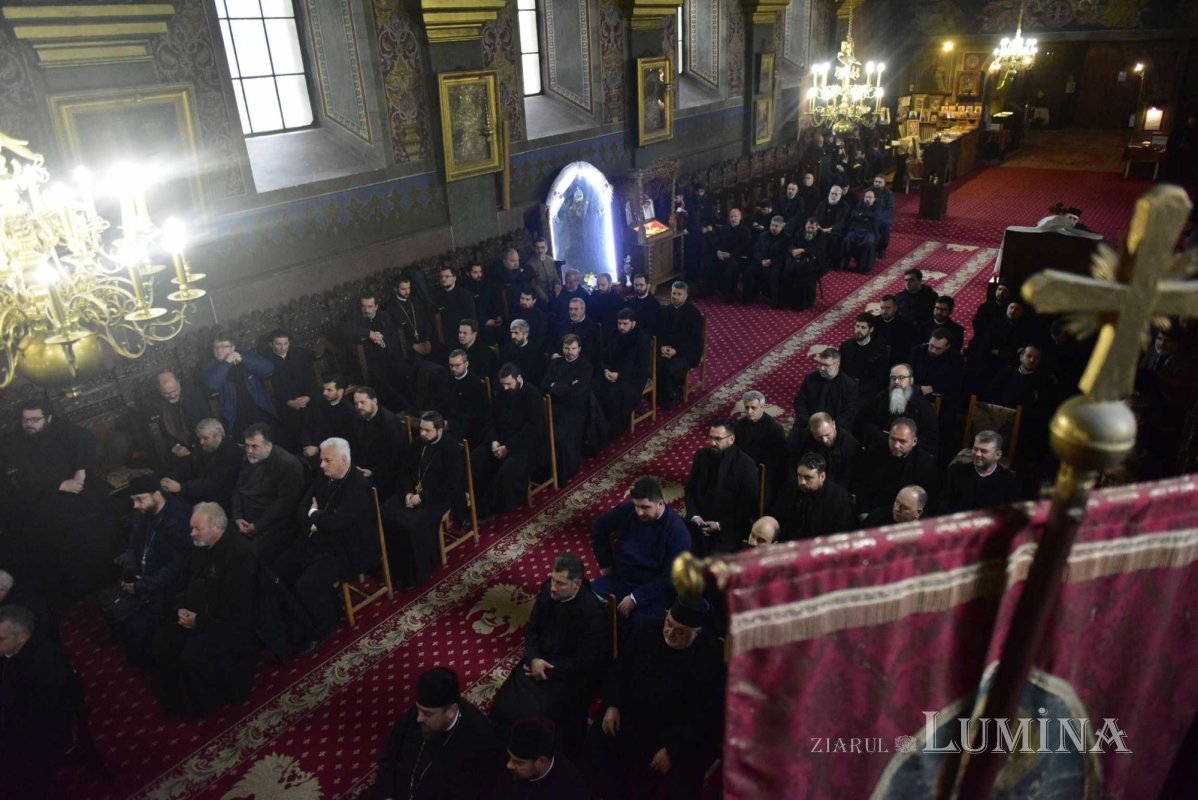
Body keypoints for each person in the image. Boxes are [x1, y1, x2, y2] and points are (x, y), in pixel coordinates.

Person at [585, 597, 725, 800]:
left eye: (680, 631)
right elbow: (621, 667)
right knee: (596, 746)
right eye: (669, 624)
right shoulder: (650, 630)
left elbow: (706, 715)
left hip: (669, 734)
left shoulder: (708, 658)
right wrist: (613, 704)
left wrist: (672, 749)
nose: (670, 632)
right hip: (630, 714)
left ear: (696, 633)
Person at [0, 398, 122, 602]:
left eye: (35, 419)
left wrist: (80, 471)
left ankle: (110, 579)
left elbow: (85, 439)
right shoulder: (13, 443)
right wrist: (58, 485)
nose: (29, 424)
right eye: (25, 420)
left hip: (77, 495)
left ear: (48, 418)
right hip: (43, 500)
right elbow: (19, 477)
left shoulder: (62, 430)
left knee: (97, 521)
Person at [490, 553, 608, 746]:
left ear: (576, 585)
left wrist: (547, 669)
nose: (553, 587)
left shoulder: (591, 613)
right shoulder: (548, 592)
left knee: (533, 718)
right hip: (538, 661)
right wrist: (535, 658)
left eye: (560, 583)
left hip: (566, 674)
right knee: (503, 705)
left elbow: (586, 660)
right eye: (553, 579)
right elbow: (532, 629)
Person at [154, 502, 257, 719]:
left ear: (218, 527)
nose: (191, 533)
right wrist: (181, 605)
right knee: (163, 639)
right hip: (197, 613)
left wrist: (199, 621)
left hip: (224, 625)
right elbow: (185, 579)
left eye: (197, 529)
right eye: (192, 528)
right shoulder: (201, 547)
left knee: (193, 655)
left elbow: (236, 608)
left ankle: (204, 705)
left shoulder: (239, 555)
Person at [276, 438, 378, 650]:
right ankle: (302, 620)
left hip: (347, 549)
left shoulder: (358, 486)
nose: (321, 465)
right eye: (322, 460)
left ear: (343, 460)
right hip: (319, 540)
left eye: (327, 461)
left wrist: (315, 514)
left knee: (307, 584)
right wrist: (316, 520)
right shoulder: (325, 475)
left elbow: (335, 523)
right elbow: (302, 507)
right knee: (281, 567)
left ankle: (322, 628)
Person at [360, 667, 505, 800]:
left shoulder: (480, 738)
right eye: (419, 709)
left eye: (427, 714)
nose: (419, 718)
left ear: (451, 711)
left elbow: (475, 791)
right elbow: (389, 757)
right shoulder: (416, 716)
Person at [105, 474, 193, 668]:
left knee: (136, 627)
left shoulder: (178, 520)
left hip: (168, 587)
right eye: (133, 500)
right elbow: (133, 545)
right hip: (144, 577)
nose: (135, 505)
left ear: (157, 495)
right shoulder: (144, 514)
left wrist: (140, 585)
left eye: (140, 499)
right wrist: (132, 571)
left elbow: (175, 567)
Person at [0, 605, 80, 798]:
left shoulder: (47, 665)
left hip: (42, 731)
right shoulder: (12, 650)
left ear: (22, 636)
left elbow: (38, 715)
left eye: (1, 639)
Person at [590, 476, 691, 627]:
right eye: (637, 506)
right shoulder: (627, 510)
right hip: (621, 578)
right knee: (587, 600)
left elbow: (669, 577)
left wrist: (635, 597)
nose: (639, 512)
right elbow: (598, 527)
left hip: (652, 588)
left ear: (660, 504)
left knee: (639, 626)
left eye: (645, 507)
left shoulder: (677, 532)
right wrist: (605, 563)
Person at [380, 412, 464, 591]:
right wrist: (408, 493)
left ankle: (418, 573)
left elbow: (450, 484)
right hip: (411, 493)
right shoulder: (418, 443)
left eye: (428, 430)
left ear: (439, 430)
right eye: (421, 429)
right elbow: (404, 471)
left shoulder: (451, 449)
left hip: (437, 498)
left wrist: (422, 497)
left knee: (412, 524)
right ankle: (396, 569)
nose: (423, 434)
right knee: (385, 513)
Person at [470, 363, 548, 519]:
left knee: (506, 472)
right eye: (503, 384)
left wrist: (508, 448)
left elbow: (532, 429)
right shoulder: (502, 392)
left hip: (524, 445)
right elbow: (492, 418)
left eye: (508, 384)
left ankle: (489, 509)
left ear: (518, 378)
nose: (505, 388)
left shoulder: (532, 395)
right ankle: (474, 500)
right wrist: (493, 440)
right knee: (476, 458)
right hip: (500, 440)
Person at [231, 423, 305, 563]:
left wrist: (257, 526)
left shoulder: (288, 465)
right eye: (247, 446)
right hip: (245, 521)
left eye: (254, 446)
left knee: (246, 559)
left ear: (269, 445)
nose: (249, 451)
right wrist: (237, 517)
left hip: (273, 527)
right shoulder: (248, 459)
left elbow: (285, 505)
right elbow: (238, 489)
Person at [684, 420, 760, 555]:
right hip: (699, 521)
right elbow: (690, 489)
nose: (712, 443)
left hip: (729, 526)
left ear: (731, 439)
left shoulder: (746, 465)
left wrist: (719, 525)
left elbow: (747, 507)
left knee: (713, 562)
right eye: (710, 438)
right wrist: (695, 516)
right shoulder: (701, 456)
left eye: (718, 439)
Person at [341, 293, 411, 410]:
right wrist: (370, 333)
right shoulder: (357, 318)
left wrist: (381, 340)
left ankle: (410, 408)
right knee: (382, 381)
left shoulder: (384, 316)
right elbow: (347, 329)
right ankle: (401, 409)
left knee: (403, 372)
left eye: (370, 306)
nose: (366, 310)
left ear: (376, 306)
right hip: (369, 362)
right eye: (363, 306)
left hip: (388, 355)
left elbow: (392, 337)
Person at [854, 419, 939, 516]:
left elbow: (928, 499)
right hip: (875, 512)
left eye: (902, 441)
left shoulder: (925, 464)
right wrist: (864, 512)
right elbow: (861, 485)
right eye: (892, 439)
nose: (896, 445)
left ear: (914, 441)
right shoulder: (874, 453)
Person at [161, 417, 243, 513]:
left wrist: (181, 487)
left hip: (223, 501)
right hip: (203, 493)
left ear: (218, 436)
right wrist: (171, 478)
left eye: (205, 438)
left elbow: (213, 484)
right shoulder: (206, 448)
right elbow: (192, 465)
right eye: (200, 438)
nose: (201, 442)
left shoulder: (232, 454)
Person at [203, 333, 276, 439]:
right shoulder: (210, 366)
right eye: (216, 347)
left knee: (270, 437)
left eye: (224, 346)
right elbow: (212, 385)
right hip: (234, 415)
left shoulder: (246, 357)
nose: (219, 350)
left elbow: (268, 368)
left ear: (233, 348)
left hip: (259, 408)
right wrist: (227, 362)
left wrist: (242, 359)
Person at [494, 718, 589, 798]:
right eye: (510, 758)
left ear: (542, 762)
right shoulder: (511, 764)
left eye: (518, 762)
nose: (509, 765)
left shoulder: (571, 788)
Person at [542, 334, 593, 483]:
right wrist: (567, 386)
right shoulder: (555, 363)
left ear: (579, 349)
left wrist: (555, 385)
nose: (570, 352)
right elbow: (544, 384)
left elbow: (578, 392)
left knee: (560, 437)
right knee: (541, 433)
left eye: (573, 348)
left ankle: (565, 472)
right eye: (566, 348)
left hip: (575, 409)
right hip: (553, 406)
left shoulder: (586, 367)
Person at [863, 364, 940, 457]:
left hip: (910, 455)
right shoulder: (881, 398)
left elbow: (930, 440)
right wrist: (886, 438)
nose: (896, 382)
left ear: (911, 381)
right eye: (893, 378)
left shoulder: (923, 406)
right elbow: (870, 424)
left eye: (901, 378)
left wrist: (903, 441)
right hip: (881, 449)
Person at [597, 307, 651, 439]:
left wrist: (620, 375)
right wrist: (606, 370)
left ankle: (612, 432)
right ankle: (597, 429)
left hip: (632, 378)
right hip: (611, 373)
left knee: (615, 396)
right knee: (596, 389)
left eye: (625, 324)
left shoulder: (642, 339)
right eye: (619, 323)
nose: (621, 327)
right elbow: (605, 355)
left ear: (633, 323)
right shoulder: (615, 334)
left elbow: (641, 368)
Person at [261, 329, 317, 452]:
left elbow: (310, 377)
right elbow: (270, 390)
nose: (283, 348)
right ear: (271, 344)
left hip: (305, 398)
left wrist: (307, 396)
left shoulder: (299, 354)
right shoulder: (265, 360)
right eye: (278, 344)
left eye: (286, 344)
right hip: (283, 403)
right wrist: (288, 402)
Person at [778, 453, 855, 540]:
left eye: (808, 477)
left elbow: (842, 535)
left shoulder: (839, 499)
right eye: (799, 476)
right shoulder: (791, 488)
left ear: (822, 476)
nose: (801, 482)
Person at [733, 390, 787, 509]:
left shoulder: (775, 428)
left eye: (753, 408)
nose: (749, 411)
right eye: (746, 408)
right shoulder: (738, 426)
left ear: (762, 407)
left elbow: (776, 459)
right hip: (742, 467)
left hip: (763, 471)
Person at [943, 431, 1021, 513]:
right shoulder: (955, 473)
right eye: (975, 449)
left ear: (997, 455)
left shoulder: (1009, 481)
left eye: (984, 451)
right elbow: (943, 509)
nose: (978, 454)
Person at [349, 386, 404, 500]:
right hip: (365, 469)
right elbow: (356, 446)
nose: (359, 407)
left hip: (386, 474)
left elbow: (395, 457)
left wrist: (373, 471)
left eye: (363, 402)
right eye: (356, 403)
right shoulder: (359, 417)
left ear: (374, 401)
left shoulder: (390, 423)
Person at [655, 281, 704, 409]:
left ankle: (670, 397)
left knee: (669, 367)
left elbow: (695, 341)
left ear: (685, 296)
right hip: (667, 350)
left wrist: (676, 351)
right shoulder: (666, 311)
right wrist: (661, 347)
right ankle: (661, 394)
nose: (675, 296)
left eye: (678, 294)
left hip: (686, 353)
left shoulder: (693, 313)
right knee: (654, 362)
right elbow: (658, 332)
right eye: (673, 293)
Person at [147, 369, 210, 465]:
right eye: (167, 393)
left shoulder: (193, 393)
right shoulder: (154, 405)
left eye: (175, 390)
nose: (172, 395)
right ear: (159, 389)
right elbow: (159, 434)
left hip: (201, 440)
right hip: (176, 447)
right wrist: (174, 447)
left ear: (178, 382)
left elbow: (208, 418)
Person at [786, 411, 860, 491]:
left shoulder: (850, 444)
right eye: (819, 437)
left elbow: (848, 475)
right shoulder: (802, 438)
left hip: (835, 487)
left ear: (834, 425)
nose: (824, 440)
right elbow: (792, 461)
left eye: (827, 435)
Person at [793, 347, 860, 433]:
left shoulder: (850, 386)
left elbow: (849, 414)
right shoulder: (810, 379)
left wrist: (829, 428)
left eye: (826, 365)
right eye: (820, 364)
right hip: (808, 424)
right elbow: (799, 401)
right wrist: (808, 422)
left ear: (837, 364)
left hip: (835, 429)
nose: (821, 368)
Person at [301, 374, 357, 464]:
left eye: (329, 390)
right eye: (324, 389)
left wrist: (317, 449)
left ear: (340, 391)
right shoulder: (320, 403)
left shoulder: (349, 413)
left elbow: (344, 442)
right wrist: (307, 445)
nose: (324, 393)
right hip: (311, 449)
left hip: (334, 456)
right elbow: (307, 426)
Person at [382, 275, 436, 359]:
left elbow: (426, 321)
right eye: (403, 289)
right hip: (407, 350)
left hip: (425, 343)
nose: (407, 292)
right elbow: (392, 332)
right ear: (395, 289)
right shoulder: (390, 307)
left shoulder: (416, 301)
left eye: (409, 288)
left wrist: (428, 340)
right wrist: (412, 346)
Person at [445, 348, 490, 446]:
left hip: (468, 428)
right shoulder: (447, 380)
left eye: (457, 365)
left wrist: (451, 424)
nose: (453, 369)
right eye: (451, 365)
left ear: (466, 364)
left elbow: (475, 414)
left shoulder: (475, 384)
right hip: (448, 423)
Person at [839, 313, 889, 400]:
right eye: (857, 326)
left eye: (863, 327)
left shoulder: (878, 350)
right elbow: (840, 369)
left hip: (868, 390)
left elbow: (880, 376)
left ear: (871, 329)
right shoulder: (845, 346)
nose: (858, 330)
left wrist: (861, 389)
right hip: (847, 387)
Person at [782, 218, 827, 310]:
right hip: (798, 258)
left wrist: (804, 251)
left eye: (813, 228)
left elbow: (819, 251)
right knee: (787, 270)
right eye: (808, 227)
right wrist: (793, 251)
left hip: (815, 262)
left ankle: (805, 302)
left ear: (817, 228)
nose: (810, 230)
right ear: (805, 226)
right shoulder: (799, 233)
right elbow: (792, 244)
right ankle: (789, 300)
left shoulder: (822, 236)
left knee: (804, 273)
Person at [710, 207, 753, 302]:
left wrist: (730, 255)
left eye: (735, 216)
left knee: (733, 266)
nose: (733, 219)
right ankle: (712, 290)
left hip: (738, 257)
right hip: (723, 255)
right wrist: (718, 251)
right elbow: (717, 242)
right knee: (709, 262)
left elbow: (744, 247)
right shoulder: (724, 229)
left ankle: (730, 294)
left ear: (740, 217)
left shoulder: (745, 231)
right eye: (731, 217)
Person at [747, 215, 790, 305]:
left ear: (782, 226)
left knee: (775, 273)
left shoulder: (786, 238)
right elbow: (756, 250)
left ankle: (775, 301)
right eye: (772, 225)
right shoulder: (763, 235)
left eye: (776, 226)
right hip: (761, 262)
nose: (773, 228)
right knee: (749, 270)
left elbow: (783, 255)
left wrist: (771, 261)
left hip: (776, 264)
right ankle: (750, 297)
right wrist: (761, 261)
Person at [433, 267, 478, 352]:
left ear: (454, 278)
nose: (443, 279)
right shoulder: (437, 296)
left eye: (447, 276)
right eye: (441, 276)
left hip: (463, 337)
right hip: (447, 338)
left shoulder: (464, 294)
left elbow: (472, 318)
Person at [463, 263, 506, 346]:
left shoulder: (487, 283)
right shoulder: (465, 290)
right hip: (479, 324)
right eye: (475, 272)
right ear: (468, 274)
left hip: (494, 318)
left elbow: (496, 301)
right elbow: (469, 313)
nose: (479, 275)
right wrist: (485, 321)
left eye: (480, 272)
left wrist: (498, 315)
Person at [552, 297, 602, 362]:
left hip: (581, 363)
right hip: (561, 361)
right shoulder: (564, 322)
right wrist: (555, 354)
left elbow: (590, 352)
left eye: (576, 309)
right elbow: (555, 341)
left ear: (583, 309)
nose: (572, 312)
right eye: (570, 309)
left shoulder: (592, 327)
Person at [842, 188, 879, 273]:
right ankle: (844, 263)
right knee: (847, 240)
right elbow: (854, 215)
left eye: (870, 197)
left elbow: (875, 216)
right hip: (856, 229)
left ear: (874, 199)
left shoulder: (876, 207)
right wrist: (866, 217)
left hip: (870, 231)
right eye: (866, 197)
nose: (868, 199)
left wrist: (861, 215)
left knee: (868, 243)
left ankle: (864, 267)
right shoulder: (859, 205)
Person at [812, 185, 850, 266]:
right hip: (820, 228)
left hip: (835, 231)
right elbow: (815, 216)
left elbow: (843, 222)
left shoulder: (844, 206)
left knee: (830, 239)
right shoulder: (823, 203)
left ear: (840, 195)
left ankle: (828, 262)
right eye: (832, 193)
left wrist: (831, 229)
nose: (833, 196)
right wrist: (817, 225)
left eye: (836, 194)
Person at [501, 319, 546, 386]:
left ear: (526, 334)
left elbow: (537, 376)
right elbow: (502, 369)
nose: (513, 336)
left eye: (516, 333)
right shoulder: (507, 348)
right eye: (511, 333)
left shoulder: (536, 351)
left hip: (527, 387)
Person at [874, 294, 917, 365]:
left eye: (888, 308)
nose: (884, 311)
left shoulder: (905, 325)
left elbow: (908, 347)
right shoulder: (875, 321)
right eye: (882, 308)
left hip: (898, 360)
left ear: (895, 308)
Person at [862, 484, 929, 528]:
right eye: (897, 502)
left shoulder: (928, 532)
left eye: (904, 507)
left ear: (918, 512)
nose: (896, 509)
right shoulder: (877, 516)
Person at [458, 318, 500, 383]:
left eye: (465, 333)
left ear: (474, 334)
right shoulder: (458, 351)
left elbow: (484, 377)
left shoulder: (485, 352)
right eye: (460, 332)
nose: (461, 335)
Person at [526, 238, 561, 304]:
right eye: (537, 248)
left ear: (546, 248)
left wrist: (558, 285)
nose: (540, 250)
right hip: (540, 297)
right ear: (534, 249)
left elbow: (556, 278)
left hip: (553, 294)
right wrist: (545, 298)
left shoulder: (550, 260)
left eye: (542, 247)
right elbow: (534, 285)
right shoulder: (530, 264)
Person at [870, 174, 895, 259]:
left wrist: (879, 217)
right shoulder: (869, 192)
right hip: (870, 216)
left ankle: (881, 249)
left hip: (883, 218)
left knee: (884, 227)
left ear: (884, 183)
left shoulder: (888, 194)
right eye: (876, 181)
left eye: (879, 182)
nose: (877, 184)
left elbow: (890, 208)